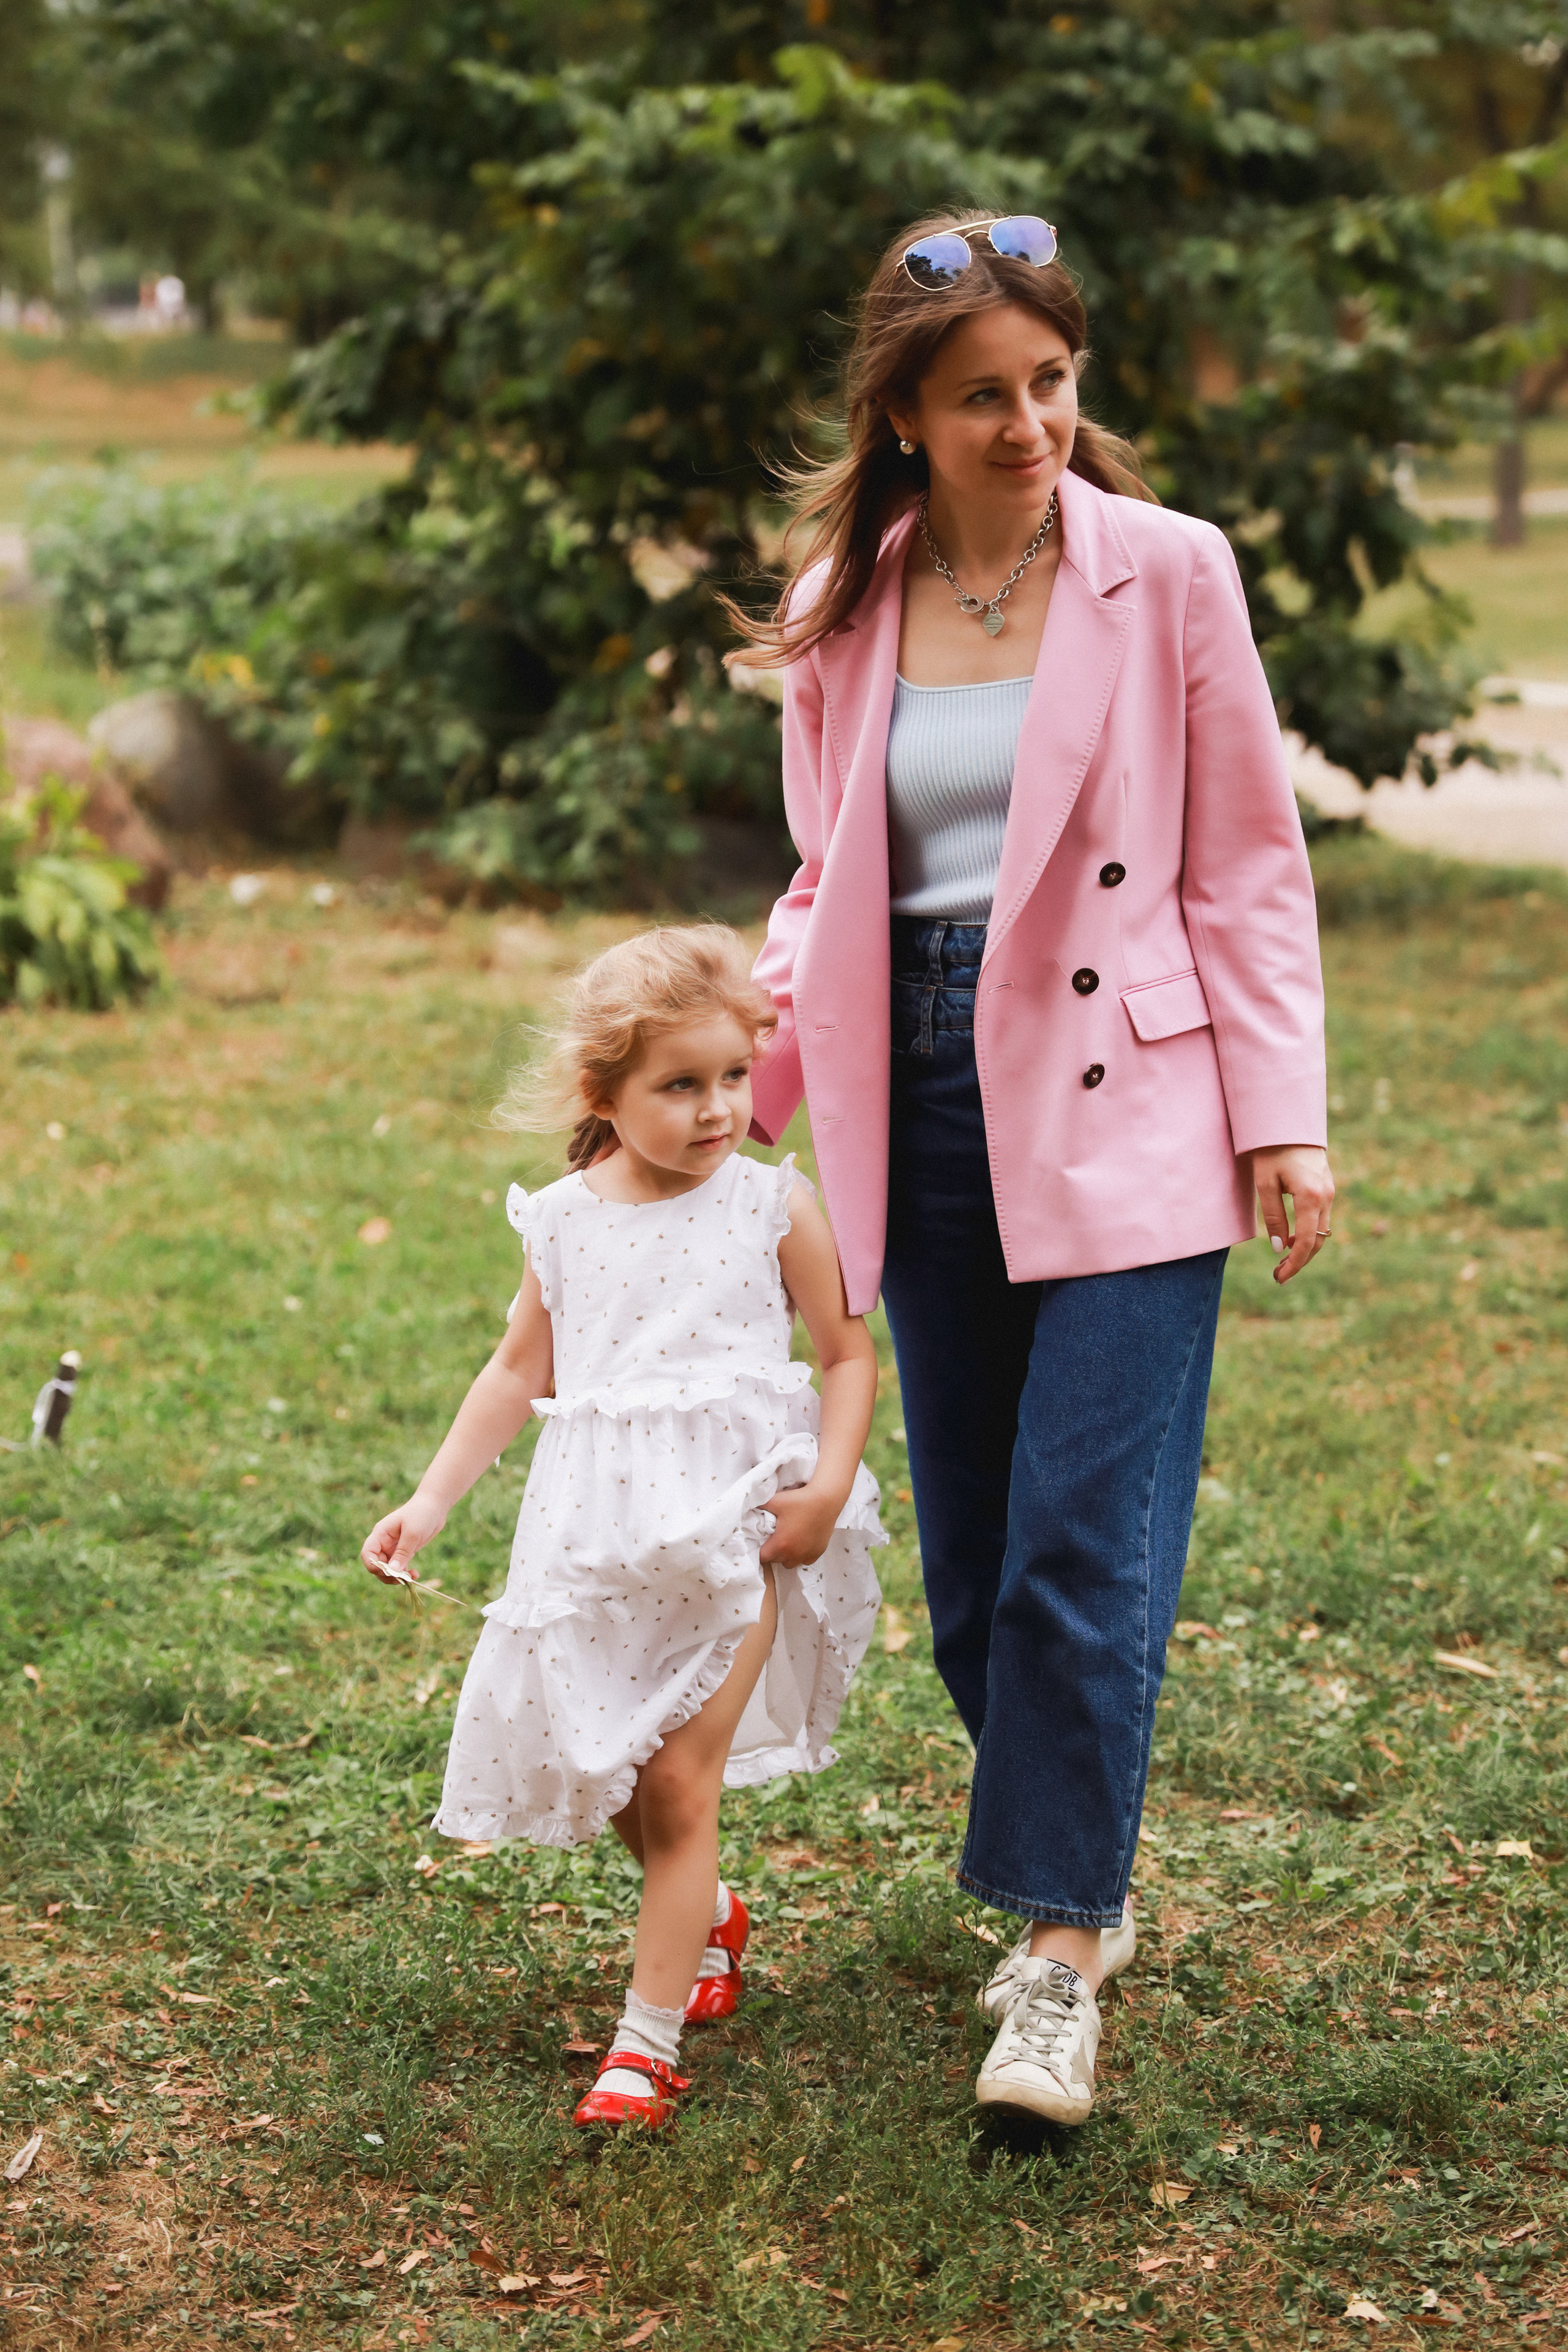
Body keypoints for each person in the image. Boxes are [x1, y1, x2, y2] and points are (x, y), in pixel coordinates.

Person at [732, 210, 1333, 2128]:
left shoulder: (1172, 576)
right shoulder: (849, 594)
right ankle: (1086, 1856)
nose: (1029, 426)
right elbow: (830, 874)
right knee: (986, 1574)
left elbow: (1246, 859)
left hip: (1126, 1086)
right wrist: (751, 1075)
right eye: (983, 396)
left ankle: (1060, 1949)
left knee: (1085, 1544)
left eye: (1051, 385)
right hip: (915, 1085)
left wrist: (1283, 1112)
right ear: (904, 412)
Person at [360, 925, 884, 2130]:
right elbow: (512, 1371)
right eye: (681, 1086)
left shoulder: (771, 1201)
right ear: (602, 1094)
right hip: (593, 1538)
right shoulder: (562, 1221)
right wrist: (430, 1502)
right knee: (613, 1773)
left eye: (733, 1078)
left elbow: (847, 1352)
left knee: (681, 1781)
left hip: (728, 1528)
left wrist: (827, 1480)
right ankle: (704, 1915)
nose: (718, 1112)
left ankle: (641, 2053)